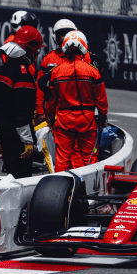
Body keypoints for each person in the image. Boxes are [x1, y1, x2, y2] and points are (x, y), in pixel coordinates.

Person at [48, 31, 108, 172]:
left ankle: (60, 189)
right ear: (83, 47)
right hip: (86, 120)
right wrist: (103, 117)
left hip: (63, 121)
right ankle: (89, 190)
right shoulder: (93, 72)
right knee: (89, 159)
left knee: (62, 160)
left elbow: (51, 100)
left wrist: (51, 119)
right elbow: (101, 100)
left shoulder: (56, 72)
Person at [0, 26, 43, 179]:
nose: (38, 53)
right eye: (37, 49)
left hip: (3, 130)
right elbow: (22, 111)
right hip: (17, 136)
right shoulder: (23, 74)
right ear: (30, 48)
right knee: (20, 177)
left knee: (10, 175)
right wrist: (27, 141)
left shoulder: (4, 69)